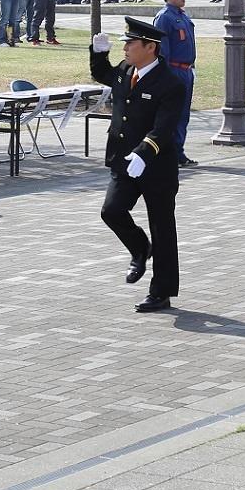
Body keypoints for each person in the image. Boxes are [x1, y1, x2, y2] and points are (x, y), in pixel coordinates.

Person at [89, 18, 186, 313]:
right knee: (112, 211)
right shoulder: (124, 70)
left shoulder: (171, 83)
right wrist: (97, 54)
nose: (126, 48)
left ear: (150, 48)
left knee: (163, 227)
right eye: (125, 43)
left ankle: (162, 291)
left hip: (155, 165)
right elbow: (102, 73)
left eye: (131, 43)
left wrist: (145, 152)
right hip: (124, 161)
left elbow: (164, 126)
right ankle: (140, 248)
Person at [153, 0, 196, 166]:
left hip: (186, 71)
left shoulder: (182, 16)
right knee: (172, 114)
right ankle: (169, 153)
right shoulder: (164, 17)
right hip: (174, 71)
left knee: (183, 114)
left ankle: (178, 151)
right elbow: (162, 51)